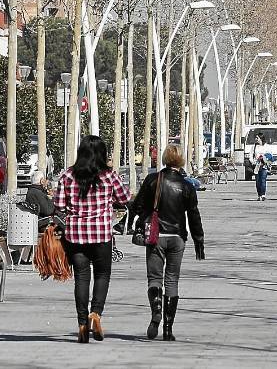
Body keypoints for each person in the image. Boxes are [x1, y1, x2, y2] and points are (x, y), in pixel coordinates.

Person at [55, 135, 131, 343]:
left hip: (75, 234)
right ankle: (95, 313)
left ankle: (81, 323)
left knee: (81, 277)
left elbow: (59, 206)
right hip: (101, 234)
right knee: (102, 275)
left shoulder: (68, 176)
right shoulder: (109, 176)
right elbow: (125, 198)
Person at [131, 144, 205, 341]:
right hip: (177, 237)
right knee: (172, 280)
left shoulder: (153, 180)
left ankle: (156, 312)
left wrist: (142, 217)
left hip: (156, 236)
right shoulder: (187, 186)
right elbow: (194, 214)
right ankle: (168, 329)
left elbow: (138, 205)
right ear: (181, 161)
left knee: (154, 278)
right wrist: (199, 239)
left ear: (164, 158)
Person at [251, 133, 269, 202]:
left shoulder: (266, 146)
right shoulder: (254, 146)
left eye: (257, 138)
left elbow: (269, 154)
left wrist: (265, 159)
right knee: (258, 181)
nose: (256, 139)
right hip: (257, 166)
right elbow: (250, 155)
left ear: (261, 138)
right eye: (256, 138)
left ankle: (263, 195)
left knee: (263, 180)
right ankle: (259, 195)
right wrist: (253, 161)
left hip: (264, 165)